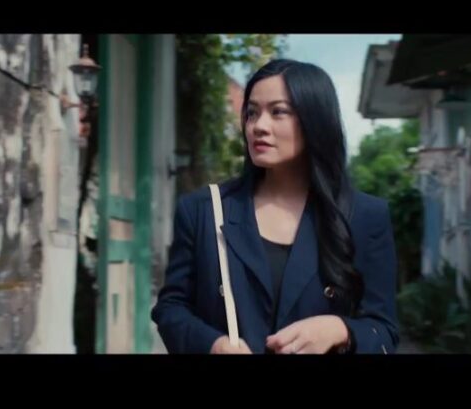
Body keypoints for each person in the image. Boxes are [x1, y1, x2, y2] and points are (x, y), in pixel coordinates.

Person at [151, 59, 399, 354]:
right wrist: (213, 345)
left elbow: (383, 330)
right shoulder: (203, 210)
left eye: (278, 112)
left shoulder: (365, 216)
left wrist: (339, 329)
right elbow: (171, 309)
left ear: (314, 119)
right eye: (252, 113)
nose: (259, 126)